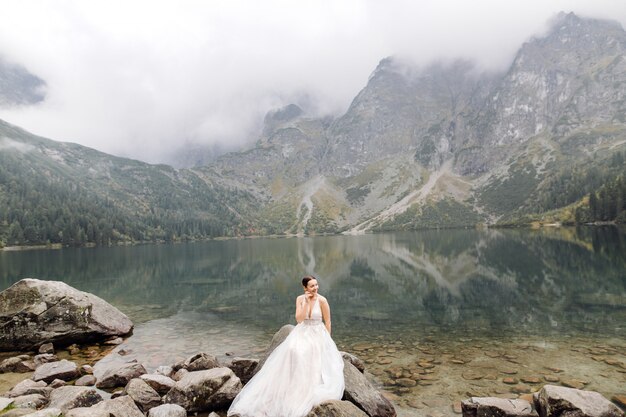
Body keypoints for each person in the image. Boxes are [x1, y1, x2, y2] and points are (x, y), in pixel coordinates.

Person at [227, 275, 345, 417]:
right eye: (312, 286)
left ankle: (308, 386)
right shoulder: (300, 299)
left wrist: (327, 341)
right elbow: (300, 319)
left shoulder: (322, 300)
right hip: (303, 330)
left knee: (309, 352)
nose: (316, 288)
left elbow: (328, 322)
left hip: (318, 332)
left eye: (316, 285)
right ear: (305, 288)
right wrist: (307, 302)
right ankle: (291, 386)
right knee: (292, 349)